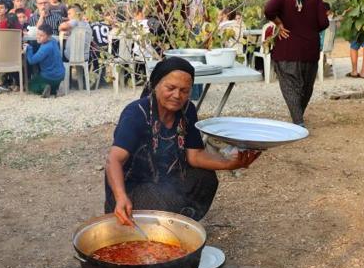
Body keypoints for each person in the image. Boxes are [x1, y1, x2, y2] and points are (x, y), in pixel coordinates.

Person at [105, 57, 260, 224]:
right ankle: (150, 222)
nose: (177, 95)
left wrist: (229, 163)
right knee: (162, 201)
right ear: (156, 85)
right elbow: (114, 160)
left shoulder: (187, 110)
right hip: (131, 187)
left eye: (185, 90)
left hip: (166, 179)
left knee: (205, 179)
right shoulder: (136, 113)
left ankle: (179, 225)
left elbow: (195, 156)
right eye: (170, 88)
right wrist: (120, 196)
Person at [264, 0, 329, 128]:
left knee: (290, 87)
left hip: (287, 51)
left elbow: (268, 10)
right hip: (310, 51)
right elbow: (324, 23)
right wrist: (309, 28)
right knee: (305, 88)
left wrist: (279, 23)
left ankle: (298, 121)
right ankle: (298, 118)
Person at [25, 24, 65, 97]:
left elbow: (31, 61)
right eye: (37, 34)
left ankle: (44, 87)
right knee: (49, 82)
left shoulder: (45, 48)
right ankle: (57, 88)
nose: (38, 37)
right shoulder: (53, 41)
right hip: (61, 75)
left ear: (49, 37)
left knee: (31, 85)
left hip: (49, 76)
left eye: (41, 35)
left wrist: (29, 48)